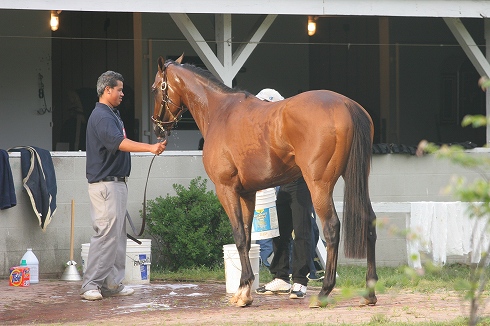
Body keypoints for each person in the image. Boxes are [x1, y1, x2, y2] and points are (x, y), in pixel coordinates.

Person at [80, 71, 166, 301]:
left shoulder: (111, 114)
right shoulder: (102, 116)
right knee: (107, 236)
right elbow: (118, 143)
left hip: (114, 183)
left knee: (117, 237)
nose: (122, 93)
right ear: (107, 90)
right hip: (106, 185)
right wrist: (149, 148)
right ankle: (91, 284)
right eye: (119, 89)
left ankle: (112, 283)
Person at [254, 89, 313, 299]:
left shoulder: (293, 126)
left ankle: (300, 280)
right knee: (279, 231)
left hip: (300, 181)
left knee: (302, 229)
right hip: (282, 183)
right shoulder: (268, 131)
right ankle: (280, 276)